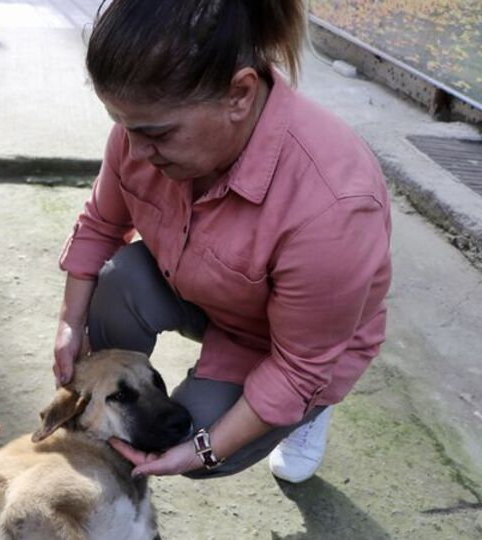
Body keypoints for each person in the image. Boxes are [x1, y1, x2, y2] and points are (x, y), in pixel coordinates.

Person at [53, 0, 391, 483]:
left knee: (187, 438)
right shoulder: (140, 135)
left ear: (239, 95)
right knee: (118, 283)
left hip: (289, 346)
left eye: (156, 133)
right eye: (122, 124)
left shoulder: (332, 205)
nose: (136, 151)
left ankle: (310, 411)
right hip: (203, 286)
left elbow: (297, 368)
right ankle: (125, 403)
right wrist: (70, 325)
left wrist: (203, 452)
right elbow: (101, 226)